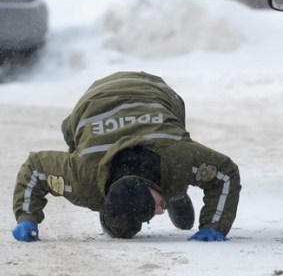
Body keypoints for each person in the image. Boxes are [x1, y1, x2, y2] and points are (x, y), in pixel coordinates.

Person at [11, 71, 241, 242]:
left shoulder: (178, 157)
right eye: (156, 209)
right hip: (96, 109)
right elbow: (36, 168)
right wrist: (26, 217)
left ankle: (174, 190)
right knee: (123, 231)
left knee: (178, 150)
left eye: (155, 207)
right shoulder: (83, 175)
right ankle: (169, 190)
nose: (159, 213)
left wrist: (214, 225)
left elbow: (225, 174)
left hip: (151, 92)